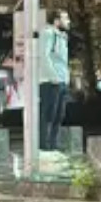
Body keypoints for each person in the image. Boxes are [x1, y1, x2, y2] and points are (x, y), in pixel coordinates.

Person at [38, 10, 70, 154]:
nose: (68, 21)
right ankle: (45, 145)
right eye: (66, 18)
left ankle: (53, 144)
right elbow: (44, 57)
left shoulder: (62, 37)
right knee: (49, 114)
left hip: (61, 81)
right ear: (56, 21)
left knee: (59, 114)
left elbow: (62, 62)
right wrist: (54, 77)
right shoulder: (49, 33)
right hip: (50, 81)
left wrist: (65, 79)